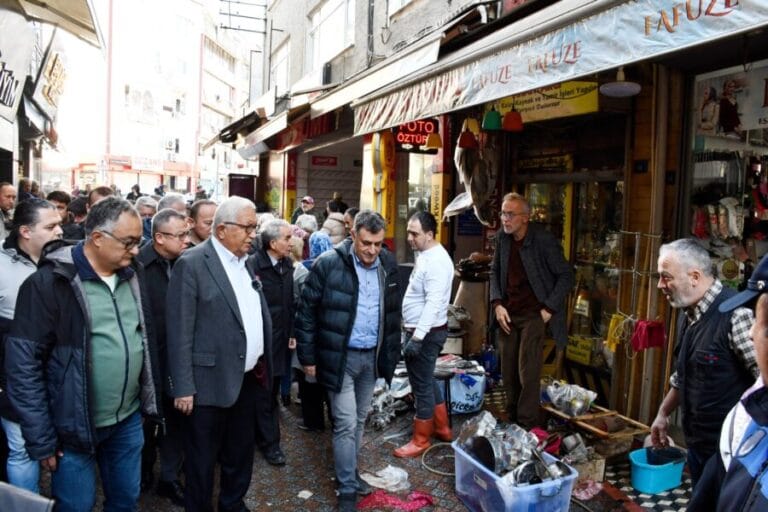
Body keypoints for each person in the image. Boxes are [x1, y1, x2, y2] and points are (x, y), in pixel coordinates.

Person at [5, 197, 160, 512]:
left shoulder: (133, 275)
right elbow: (23, 368)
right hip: (70, 429)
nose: (135, 250)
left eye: (138, 242)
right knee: (76, 506)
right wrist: (41, 438)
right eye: (128, 242)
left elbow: (143, 340)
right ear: (99, 239)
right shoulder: (48, 284)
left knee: (125, 501)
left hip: (127, 421)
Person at [166, 196, 273, 512]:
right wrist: (183, 386)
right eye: (247, 227)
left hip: (247, 379)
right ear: (223, 229)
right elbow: (179, 329)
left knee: (240, 453)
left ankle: (232, 503)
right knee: (201, 459)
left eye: (255, 227)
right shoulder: (193, 263)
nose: (253, 234)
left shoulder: (246, 261)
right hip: (207, 383)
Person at [295, 210, 401, 512]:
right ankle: (347, 490)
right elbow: (306, 313)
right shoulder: (328, 263)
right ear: (353, 234)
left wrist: (391, 354)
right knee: (343, 423)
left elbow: (392, 314)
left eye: (378, 244)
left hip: (372, 357)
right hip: (339, 357)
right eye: (366, 243)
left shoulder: (387, 265)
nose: (372, 251)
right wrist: (308, 358)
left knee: (358, 421)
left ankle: (351, 475)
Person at [651, 238, 758, 487]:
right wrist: (663, 413)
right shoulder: (688, 314)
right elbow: (684, 375)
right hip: (698, 445)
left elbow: (764, 381)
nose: (660, 285)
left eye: (666, 277)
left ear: (695, 277)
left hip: (730, 453)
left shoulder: (736, 315)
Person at [490, 192, 573, 428]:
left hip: (534, 313)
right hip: (508, 312)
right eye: (503, 213)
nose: (505, 219)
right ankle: (512, 418)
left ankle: (527, 424)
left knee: (528, 371)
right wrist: (497, 303)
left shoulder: (542, 240)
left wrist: (548, 308)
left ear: (525, 218)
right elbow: (494, 272)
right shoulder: (503, 239)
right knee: (508, 370)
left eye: (510, 214)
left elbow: (566, 276)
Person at [0, 200, 62, 493]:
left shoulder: (67, 260)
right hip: (15, 376)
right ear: (25, 231)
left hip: (61, 372)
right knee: (22, 448)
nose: (60, 231)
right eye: (50, 227)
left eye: (59, 223)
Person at [136, 208, 190, 506]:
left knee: (177, 422)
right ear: (159, 237)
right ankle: (143, 473)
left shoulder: (188, 262)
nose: (186, 240)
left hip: (178, 359)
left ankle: (169, 479)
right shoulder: (137, 266)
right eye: (180, 235)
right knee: (146, 424)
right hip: (147, 360)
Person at [394, 211, 455, 457]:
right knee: (427, 379)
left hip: (426, 334)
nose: (409, 237)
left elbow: (433, 304)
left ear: (429, 235)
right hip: (421, 331)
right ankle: (442, 428)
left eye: (414, 233)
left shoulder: (437, 262)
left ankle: (421, 439)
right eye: (408, 231)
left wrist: (417, 338)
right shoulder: (426, 255)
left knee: (420, 385)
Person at [251, 219, 295, 465]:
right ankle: (270, 444)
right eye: (287, 239)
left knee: (272, 392)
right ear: (272, 242)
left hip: (281, 342)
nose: (292, 243)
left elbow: (289, 303)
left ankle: (265, 437)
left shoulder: (286, 265)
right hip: (260, 345)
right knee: (262, 395)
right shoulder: (253, 266)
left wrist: (291, 333)